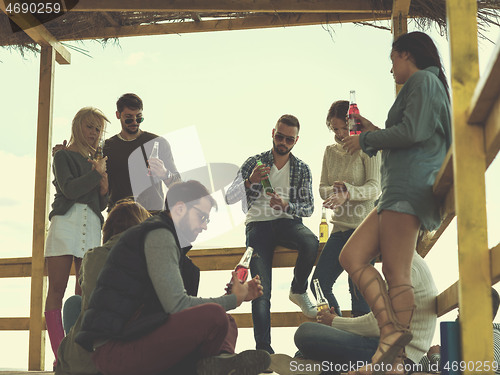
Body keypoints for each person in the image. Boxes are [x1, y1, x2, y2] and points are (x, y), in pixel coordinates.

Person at [340, 31, 451, 374]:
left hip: (408, 187)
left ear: (406, 54)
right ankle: (390, 334)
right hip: (398, 189)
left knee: (397, 274)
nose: (391, 69)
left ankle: (394, 362)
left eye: (392, 60)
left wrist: (367, 140)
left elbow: (413, 132)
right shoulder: (426, 86)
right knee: (352, 256)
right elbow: (411, 131)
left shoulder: (422, 80)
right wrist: (372, 129)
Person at [75, 180, 271, 375]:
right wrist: (234, 299)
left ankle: (223, 363)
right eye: (201, 216)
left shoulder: (165, 238)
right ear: (179, 209)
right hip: (115, 351)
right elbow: (177, 306)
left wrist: (235, 295)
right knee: (215, 316)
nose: (204, 226)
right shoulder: (159, 234)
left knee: (227, 322)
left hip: (135, 337)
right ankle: (219, 365)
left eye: (207, 220)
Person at [225, 114, 319, 354]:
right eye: (280, 136)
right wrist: (249, 181)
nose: (283, 142)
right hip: (258, 225)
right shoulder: (254, 161)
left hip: (288, 221)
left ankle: (298, 289)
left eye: (289, 139)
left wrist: (286, 205)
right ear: (273, 133)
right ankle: (264, 351)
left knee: (311, 242)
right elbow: (229, 197)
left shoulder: (301, 168)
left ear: (296, 141)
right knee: (260, 288)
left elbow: (309, 207)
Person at [294, 252, 437, 375]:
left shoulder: (407, 268)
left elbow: (377, 325)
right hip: (395, 350)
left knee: (305, 332)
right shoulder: (407, 262)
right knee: (316, 336)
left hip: (395, 356)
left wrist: (334, 321)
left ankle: (315, 365)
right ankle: (315, 364)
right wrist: (335, 322)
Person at [44, 107, 110, 365]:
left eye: (97, 129)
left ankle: (78, 354)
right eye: (89, 126)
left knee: (85, 293)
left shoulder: (98, 161)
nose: (93, 133)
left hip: (92, 224)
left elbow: (100, 202)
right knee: (56, 291)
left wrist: (104, 187)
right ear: (77, 127)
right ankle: (60, 355)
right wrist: (96, 175)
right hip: (65, 223)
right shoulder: (62, 156)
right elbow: (70, 190)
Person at [55, 199, 151, 375]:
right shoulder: (147, 257)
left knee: (73, 304)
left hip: (81, 358)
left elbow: (88, 292)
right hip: (125, 349)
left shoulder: (92, 257)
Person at [53, 93, 181, 212]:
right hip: (118, 220)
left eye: (139, 118)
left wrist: (165, 173)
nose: (135, 122)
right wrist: (65, 152)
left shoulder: (157, 143)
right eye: (129, 118)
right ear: (118, 115)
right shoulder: (106, 147)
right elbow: (85, 156)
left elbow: (178, 185)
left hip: (152, 217)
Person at [313, 100, 381, 317]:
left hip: (364, 229)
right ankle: (339, 329)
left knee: (359, 294)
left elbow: (375, 188)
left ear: (354, 124)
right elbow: (322, 188)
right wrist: (335, 193)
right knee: (319, 283)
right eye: (335, 129)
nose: (341, 134)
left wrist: (349, 192)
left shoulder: (367, 147)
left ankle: (361, 345)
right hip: (339, 229)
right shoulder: (329, 151)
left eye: (344, 128)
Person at [418, 288, 500, 374]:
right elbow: (422, 364)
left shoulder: (494, 336)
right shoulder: (466, 340)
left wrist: (436, 357)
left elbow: (479, 368)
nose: (458, 311)